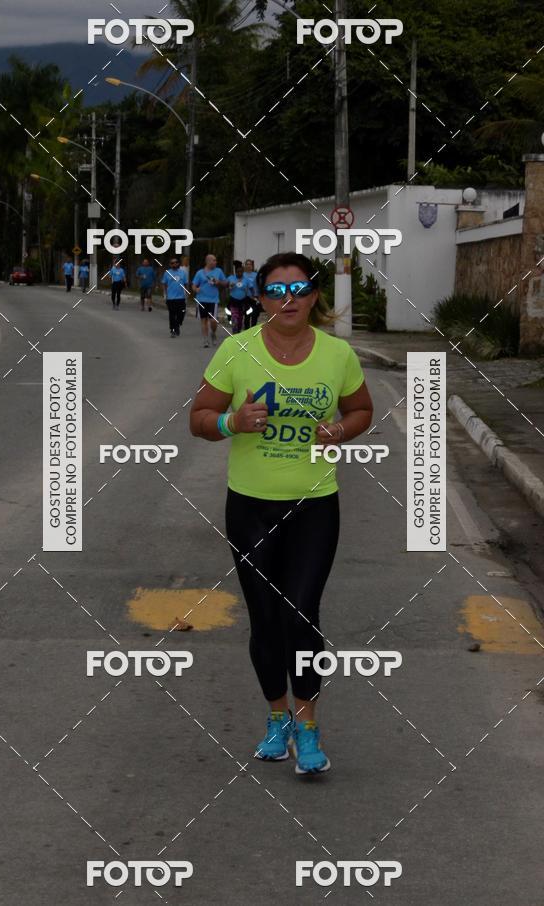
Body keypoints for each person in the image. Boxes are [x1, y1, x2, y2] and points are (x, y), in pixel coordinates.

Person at [190, 251, 373, 774]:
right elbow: (198, 419)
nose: (287, 299)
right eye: (275, 290)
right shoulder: (236, 350)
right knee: (265, 618)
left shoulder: (338, 355)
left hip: (315, 505)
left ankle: (309, 726)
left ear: (314, 296)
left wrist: (339, 429)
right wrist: (233, 422)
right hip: (249, 504)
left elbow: (361, 410)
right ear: (260, 298)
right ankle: (278, 718)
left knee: (301, 611)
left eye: (298, 289)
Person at [191, 253, 227, 348]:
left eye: (216, 260)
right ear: (208, 261)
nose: (216, 262)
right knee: (204, 320)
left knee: (213, 321)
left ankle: (213, 333)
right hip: (201, 299)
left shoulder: (218, 271)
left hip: (213, 300)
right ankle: (205, 340)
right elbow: (194, 285)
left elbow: (225, 282)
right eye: (214, 260)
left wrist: (218, 282)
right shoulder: (200, 273)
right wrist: (196, 289)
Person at [161, 257, 188, 337]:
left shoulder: (183, 273)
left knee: (182, 313)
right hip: (171, 298)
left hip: (181, 297)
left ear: (178, 263)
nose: (174, 264)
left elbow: (186, 284)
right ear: (170, 264)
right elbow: (164, 284)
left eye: (175, 262)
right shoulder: (167, 273)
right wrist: (165, 294)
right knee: (172, 314)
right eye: (172, 263)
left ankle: (177, 324)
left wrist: (187, 292)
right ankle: (173, 330)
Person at [226, 261, 249, 335]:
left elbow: (249, 289)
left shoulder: (246, 280)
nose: (239, 273)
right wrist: (231, 286)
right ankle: (234, 331)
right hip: (233, 300)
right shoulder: (231, 278)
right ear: (235, 272)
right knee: (234, 317)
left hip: (242, 301)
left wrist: (247, 292)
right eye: (238, 272)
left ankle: (238, 330)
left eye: (241, 272)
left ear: (243, 272)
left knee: (240, 319)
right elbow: (228, 288)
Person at [243, 258, 260, 329]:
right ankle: (246, 330)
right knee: (247, 315)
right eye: (247, 264)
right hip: (246, 297)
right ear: (245, 266)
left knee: (255, 315)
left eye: (250, 264)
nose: (249, 266)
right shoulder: (242, 275)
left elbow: (259, 285)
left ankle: (253, 329)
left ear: (252, 266)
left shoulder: (256, 275)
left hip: (255, 298)